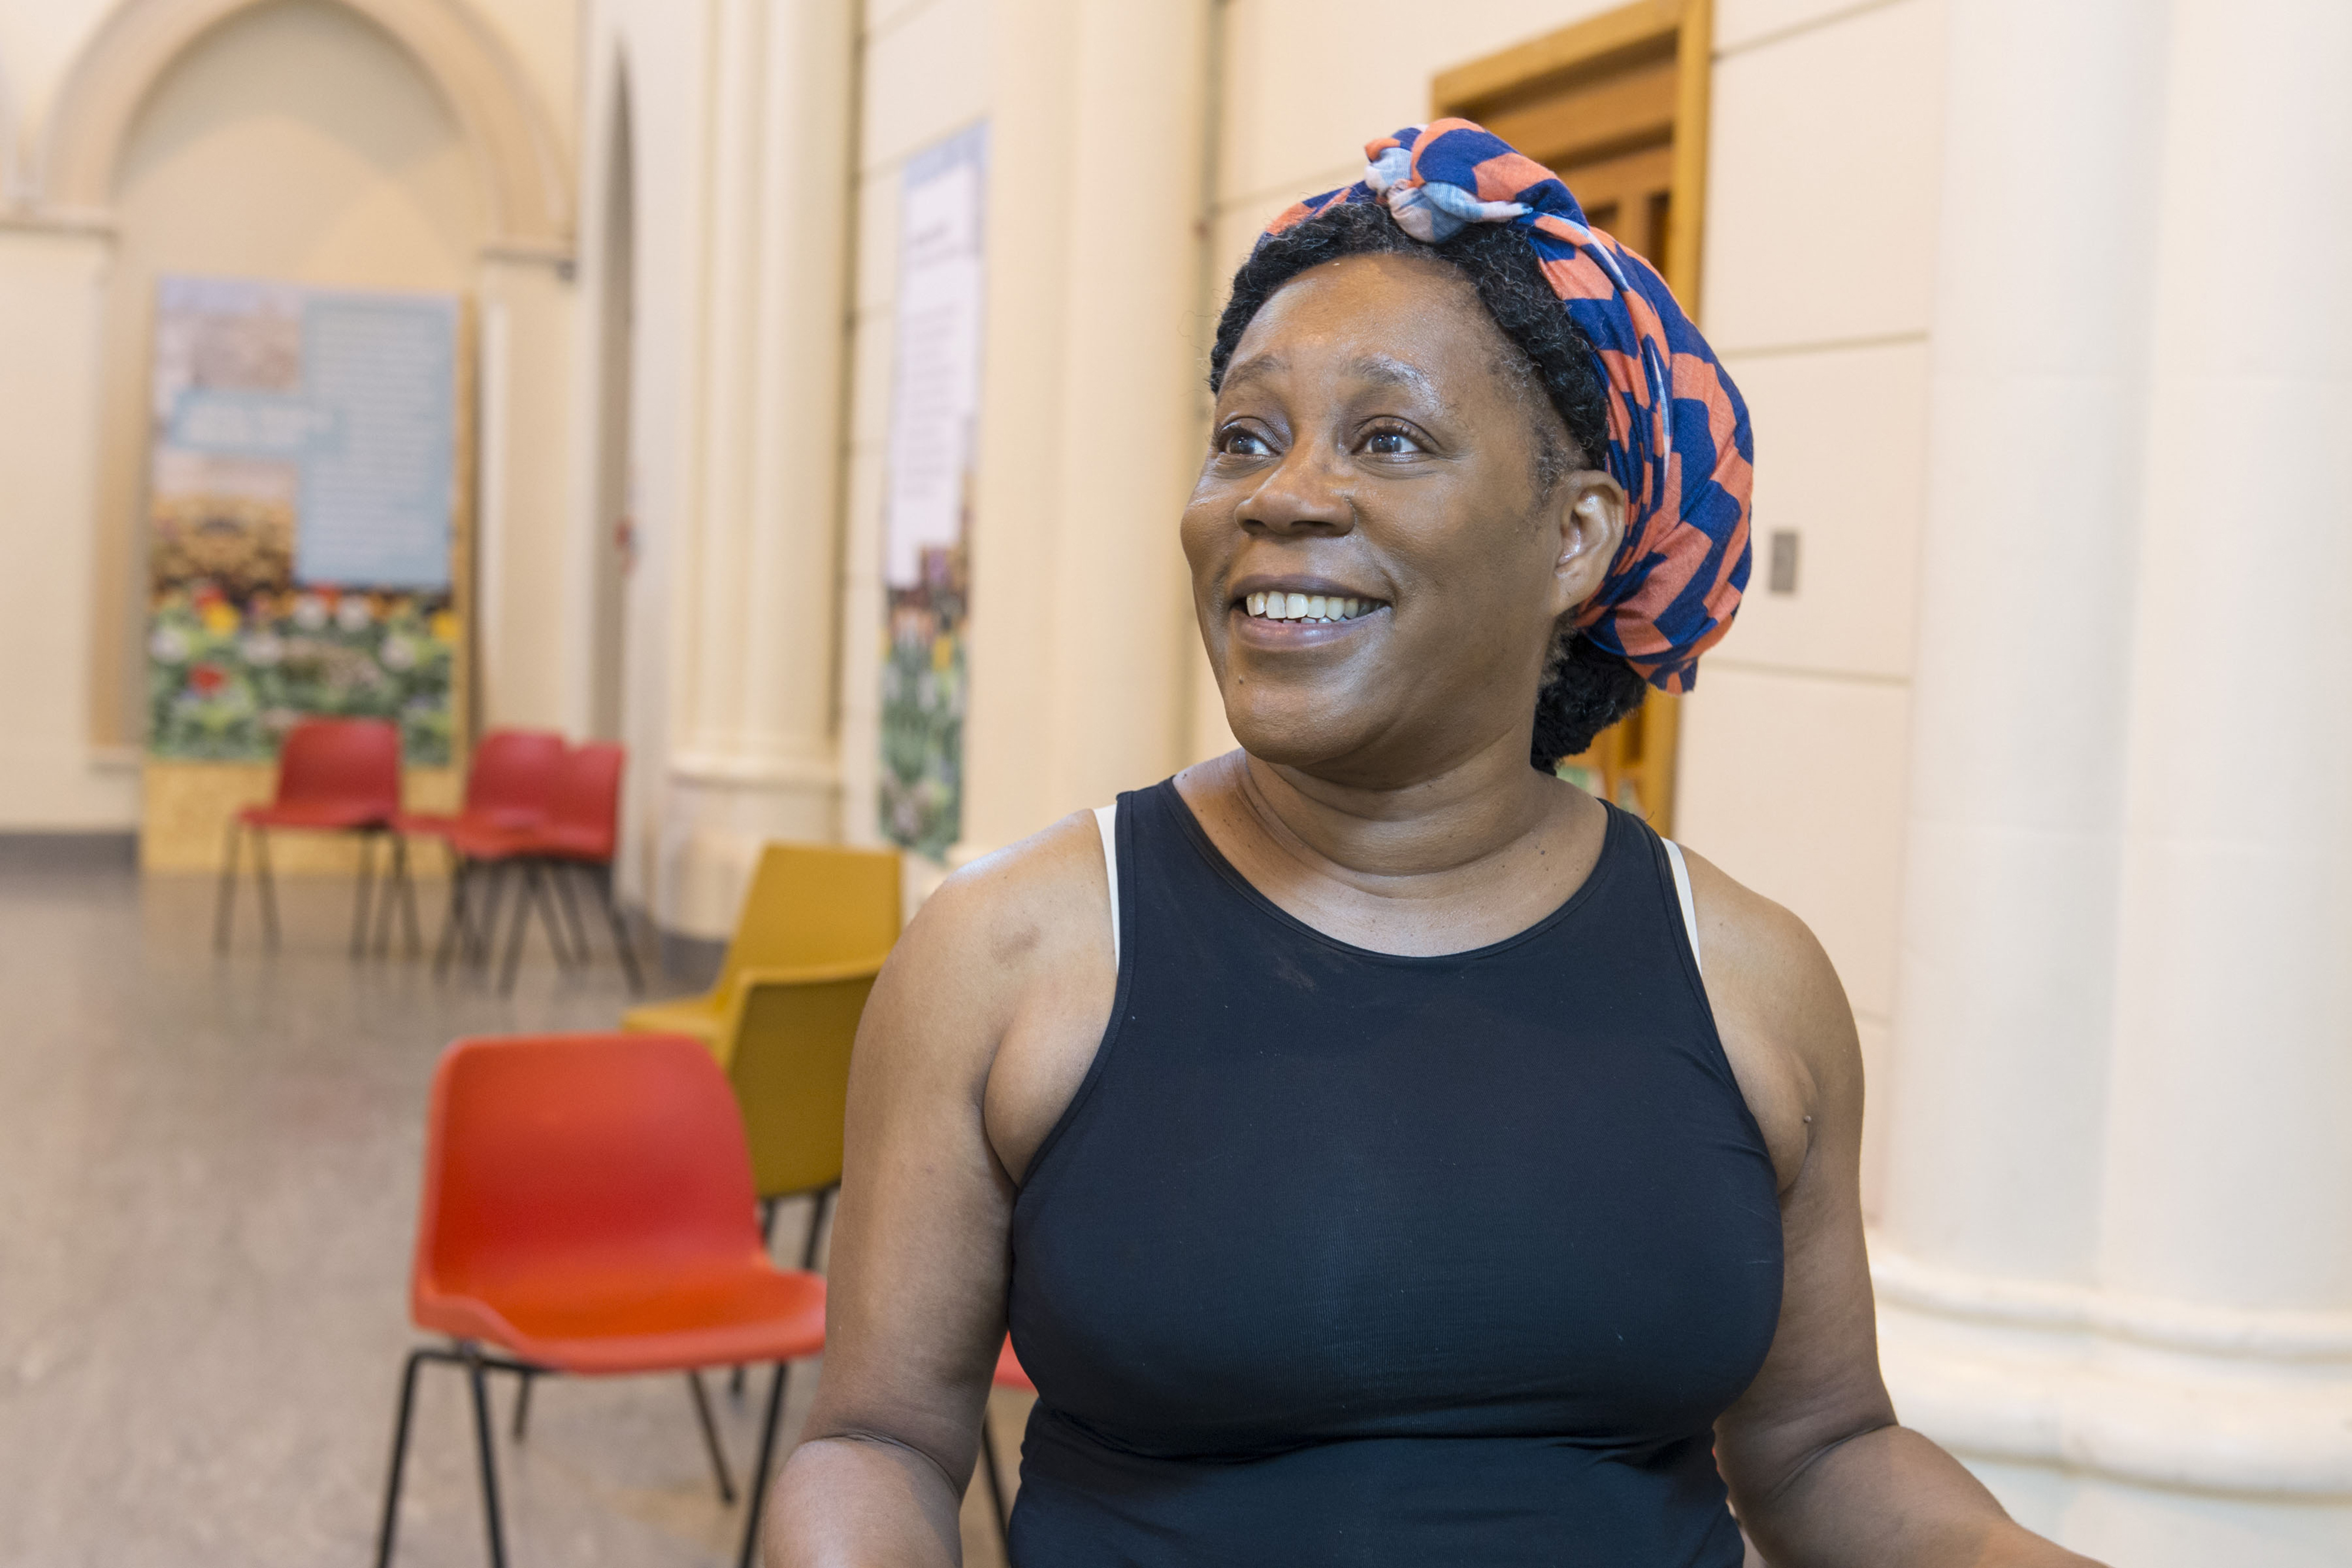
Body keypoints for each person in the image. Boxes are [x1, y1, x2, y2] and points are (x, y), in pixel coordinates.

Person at [768, 121, 2099, 1567]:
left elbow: (1820, 1444)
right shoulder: (1014, 951)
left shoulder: (1749, 978)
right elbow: (880, 1442)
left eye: (1386, 438)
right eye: (1243, 435)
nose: (1280, 494)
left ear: (1575, 538)